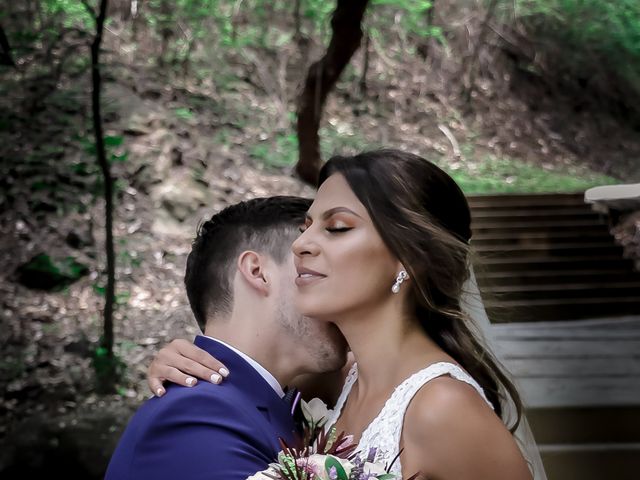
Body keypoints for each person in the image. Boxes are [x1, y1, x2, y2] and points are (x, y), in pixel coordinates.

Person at [149, 149, 545, 479]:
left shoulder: (442, 408)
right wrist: (183, 359)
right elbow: (247, 370)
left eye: (337, 227)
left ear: (410, 257)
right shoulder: (331, 385)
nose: (301, 244)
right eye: (306, 227)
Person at [105, 196, 349, 480]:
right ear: (258, 272)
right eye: (318, 273)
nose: (342, 296)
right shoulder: (197, 414)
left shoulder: (272, 404)